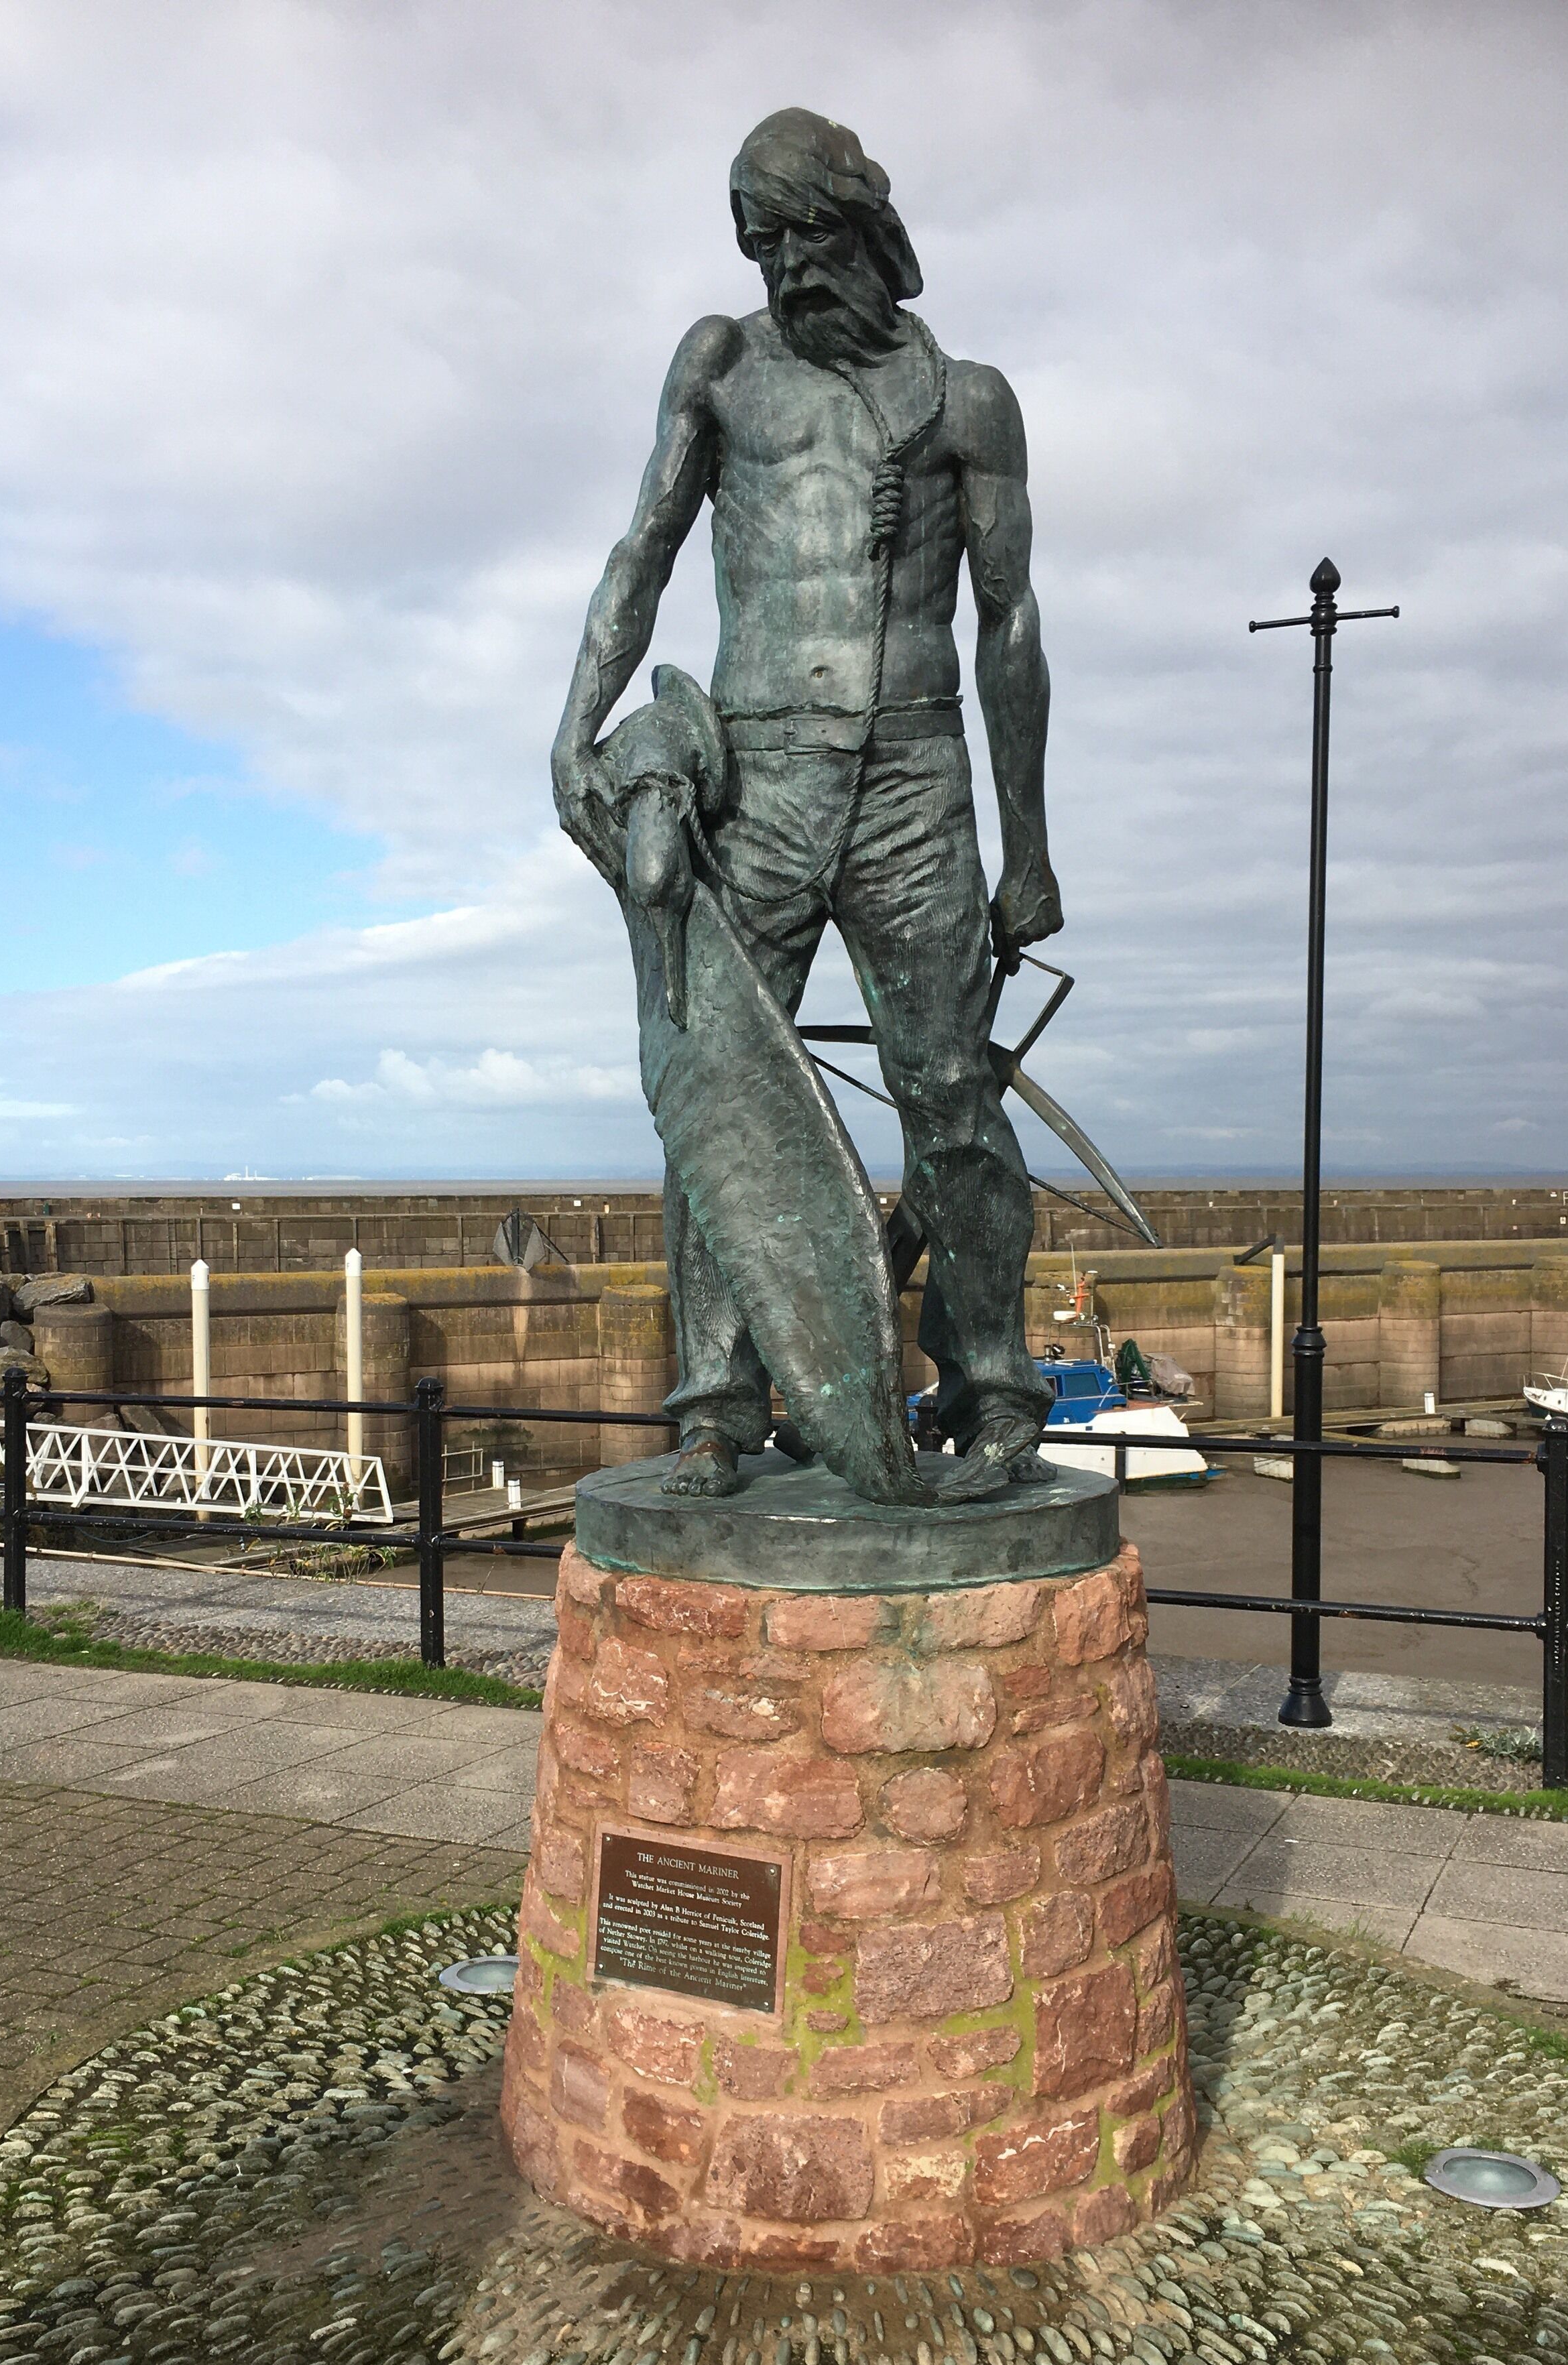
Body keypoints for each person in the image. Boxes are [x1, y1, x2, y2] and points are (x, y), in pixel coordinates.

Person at [552, 108, 1061, 1498]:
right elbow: (641, 552)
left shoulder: (970, 402)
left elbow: (1009, 626)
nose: (783, 270)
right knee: (717, 1089)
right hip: (758, 775)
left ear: (866, 230)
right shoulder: (720, 366)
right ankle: (718, 1403)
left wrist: (1031, 847)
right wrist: (573, 730)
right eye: (759, 244)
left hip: (914, 778)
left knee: (953, 1097)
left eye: (802, 238)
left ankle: (995, 1392)